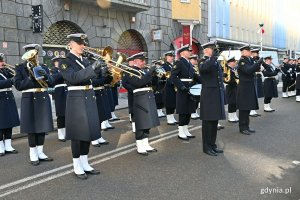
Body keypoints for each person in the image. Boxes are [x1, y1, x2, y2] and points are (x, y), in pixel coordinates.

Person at [59, 33, 102, 179]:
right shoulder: (65, 61)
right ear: (71, 44)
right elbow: (73, 78)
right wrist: (92, 68)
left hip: (88, 97)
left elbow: (92, 79)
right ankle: (77, 165)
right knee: (78, 134)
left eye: (83, 43)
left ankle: (85, 162)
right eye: (79, 43)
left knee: (88, 131)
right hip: (76, 99)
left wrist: (100, 69)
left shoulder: (84, 60)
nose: (83, 45)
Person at [13, 44, 54, 165]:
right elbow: (18, 85)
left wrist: (46, 76)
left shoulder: (44, 67)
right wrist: (30, 79)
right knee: (31, 128)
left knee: (42, 127)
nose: (35, 57)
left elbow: (51, 83)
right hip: (29, 98)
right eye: (32, 54)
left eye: (35, 54)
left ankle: (40, 152)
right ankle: (33, 153)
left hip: (42, 97)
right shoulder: (20, 68)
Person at [124, 52, 159, 155]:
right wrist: (149, 73)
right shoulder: (130, 71)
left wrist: (155, 76)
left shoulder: (143, 71)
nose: (144, 62)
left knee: (147, 122)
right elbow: (139, 83)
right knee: (140, 123)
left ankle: (146, 143)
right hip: (139, 98)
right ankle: (139, 145)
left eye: (144, 60)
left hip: (147, 96)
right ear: (135, 61)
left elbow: (152, 84)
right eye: (142, 60)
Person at [198, 41, 225, 156]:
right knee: (208, 123)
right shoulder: (203, 61)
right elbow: (204, 69)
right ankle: (206, 147)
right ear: (207, 50)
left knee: (214, 122)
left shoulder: (214, 61)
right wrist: (213, 58)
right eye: (212, 49)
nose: (214, 51)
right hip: (208, 96)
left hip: (216, 95)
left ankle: (212, 145)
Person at [171, 44, 201, 140]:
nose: (190, 53)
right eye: (188, 51)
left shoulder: (189, 63)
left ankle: (186, 129)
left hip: (190, 89)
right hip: (183, 90)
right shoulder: (179, 62)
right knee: (183, 112)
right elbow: (173, 76)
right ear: (183, 52)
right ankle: (181, 131)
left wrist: (206, 82)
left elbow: (195, 76)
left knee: (189, 111)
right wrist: (181, 87)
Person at [237, 45, 263, 135]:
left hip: (249, 86)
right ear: (243, 52)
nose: (249, 52)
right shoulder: (242, 61)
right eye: (247, 51)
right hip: (244, 87)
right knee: (243, 108)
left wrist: (257, 63)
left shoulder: (249, 60)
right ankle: (242, 127)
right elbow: (248, 70)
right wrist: (257, 63)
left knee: (247, 108)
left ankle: (246, 126)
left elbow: (256, 69)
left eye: (249, 50)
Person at [0, 53, 20, 156]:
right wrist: (11, 80)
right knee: (1, 124)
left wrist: (18, 71)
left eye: (2, 61)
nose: (2, 63)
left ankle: (8, 145)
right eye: (0, 61)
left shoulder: (5, 71)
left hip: (8, 99)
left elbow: (16, 78)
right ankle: (0, 147)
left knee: (9, 123)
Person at [51, 56, 67, 142]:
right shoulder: (53, 70)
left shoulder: (64, 69)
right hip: (59, 93)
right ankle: (61, 134)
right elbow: (54, 78)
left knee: (68, 113)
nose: (60, 62)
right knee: (61, 114)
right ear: (55, 63)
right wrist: (64, 72)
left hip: (66, 92)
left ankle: (67, 133)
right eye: (58, 61)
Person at [161, 51, 178, 125]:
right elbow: (163, 76)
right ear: (167, 57)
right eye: (171, 56)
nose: (172, 58)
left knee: (173, 103)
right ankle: (169, 118)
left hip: (174, 86)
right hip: (167, 86)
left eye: (173, 56)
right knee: (169, 103)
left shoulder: (173, 65)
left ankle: (172, 116)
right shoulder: (164, 66)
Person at [122, 56, 136, 132]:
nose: (133, 62)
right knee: (132, 107)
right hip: (131, 92)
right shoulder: (126, 70)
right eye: (132, 61)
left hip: (138, 92)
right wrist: (132, 89)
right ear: (129, 62)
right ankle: (134, 125)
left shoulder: (136, 69)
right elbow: (124, 83)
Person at [224, 56, 239, 123]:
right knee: (231, 102)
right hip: (230, 87)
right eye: (233, 61)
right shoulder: (227, 70)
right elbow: (226, 80)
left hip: (235, 87)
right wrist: (235, 81)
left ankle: (234, 115)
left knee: (235, 102)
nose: (235, 63)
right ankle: (230, 117)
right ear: (230, 63)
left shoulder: (234, 69)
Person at [249, 48, 263, 117]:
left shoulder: (254, 60)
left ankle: (253, 110)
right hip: (249, 79)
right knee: (251, 95)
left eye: (257, 53)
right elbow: (251, 69)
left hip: (254, 78)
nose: (257, 55)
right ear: (253, 53)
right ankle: (251, 110)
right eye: (256, 53)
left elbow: (258, 68)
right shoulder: (250, 60)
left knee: (255, 94)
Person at [189, 54, 201, 120]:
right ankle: (192, 112)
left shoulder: (197, 67)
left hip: (197, 84)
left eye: (196, 60)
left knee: (197, 100)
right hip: (192, 84)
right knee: (193, 100)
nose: (196, 61)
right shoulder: (190, 67)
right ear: (191, 60)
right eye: (194, 60)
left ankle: (195, 111)